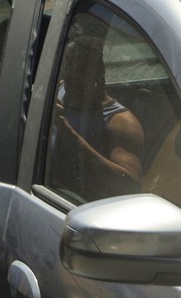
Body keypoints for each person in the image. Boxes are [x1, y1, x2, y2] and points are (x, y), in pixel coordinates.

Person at [49, 33, 144, 202]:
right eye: (68, 64)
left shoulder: (121, 123)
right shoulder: (59, 91)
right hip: (47, 197)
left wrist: (66, 130)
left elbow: (129, 186)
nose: (69, 73)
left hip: (81, 209)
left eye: (78, 68)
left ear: (98, 74)